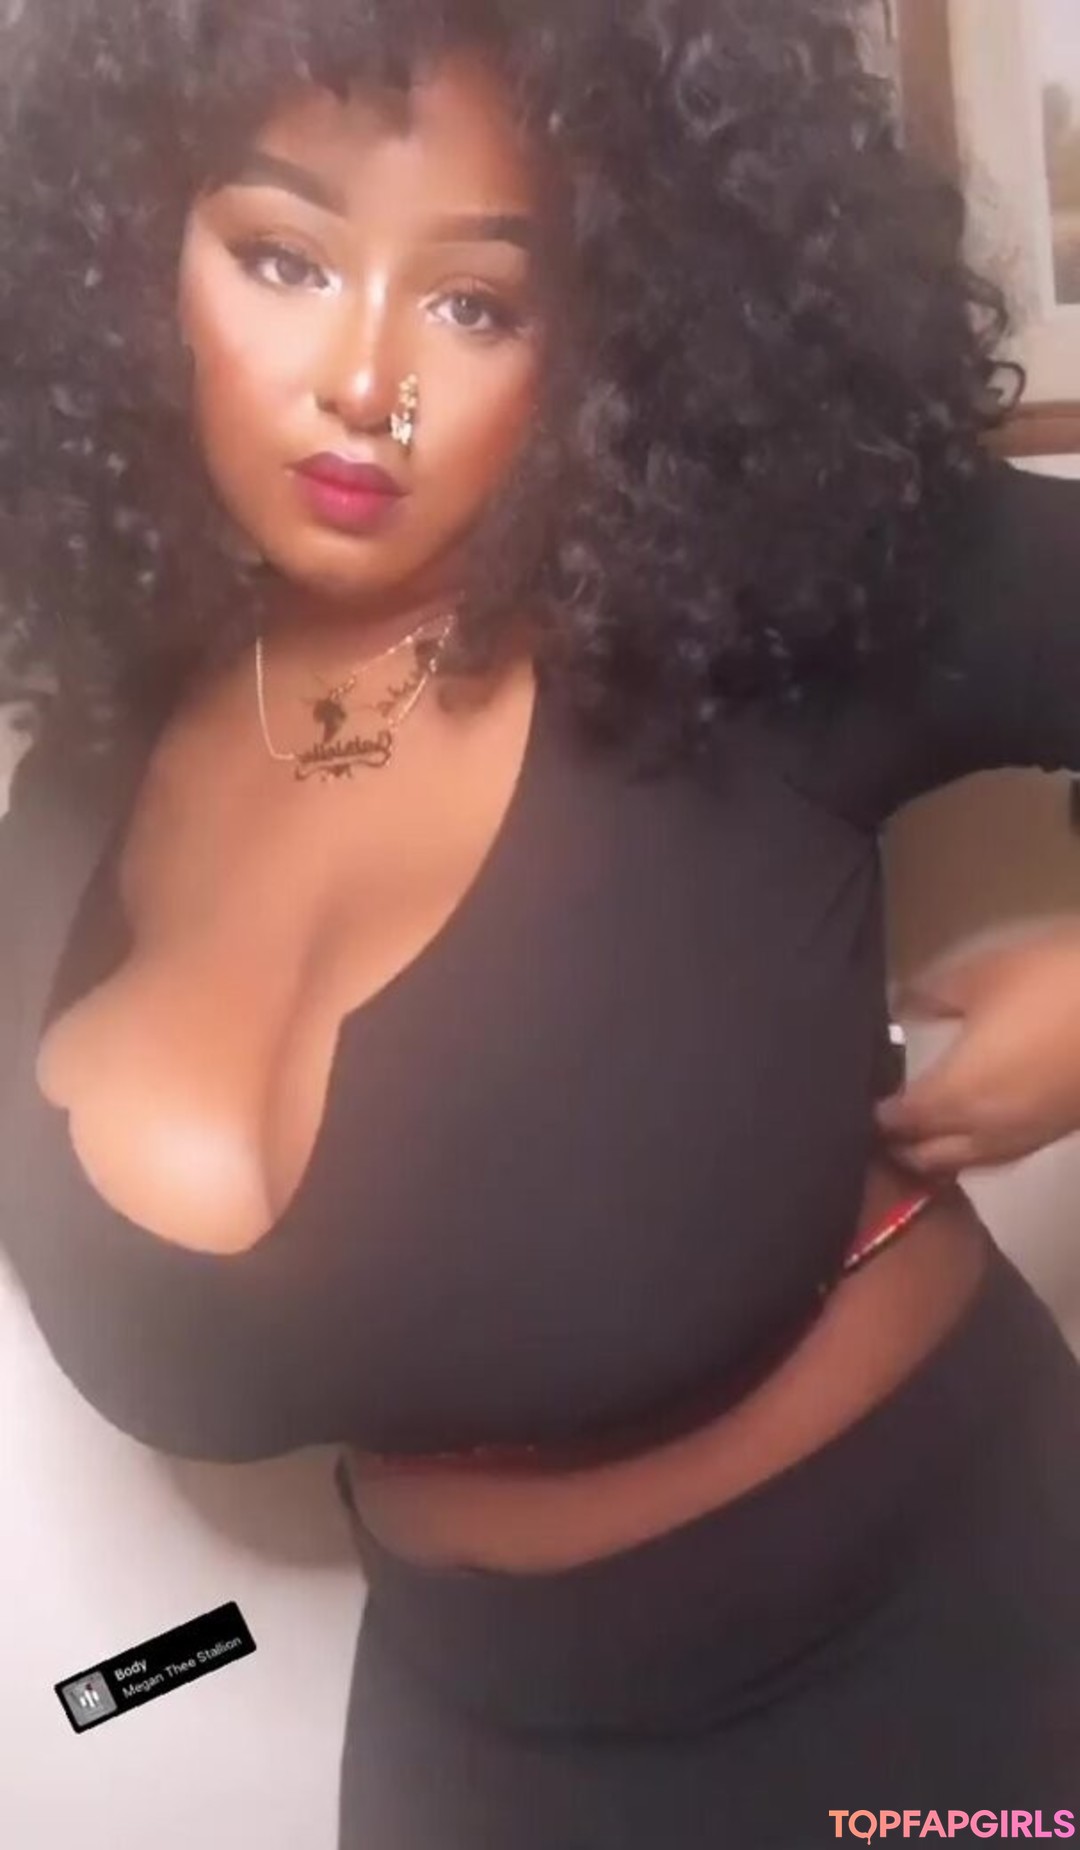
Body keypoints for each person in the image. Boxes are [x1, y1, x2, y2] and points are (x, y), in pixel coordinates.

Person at [2, 1, 1080, 1842]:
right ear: (121, 261)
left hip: (942, 1660)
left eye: (476, 302)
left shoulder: (767, 602)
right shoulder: (87, 778)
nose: (369, 384)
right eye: (282, 257)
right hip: (477, 1752)